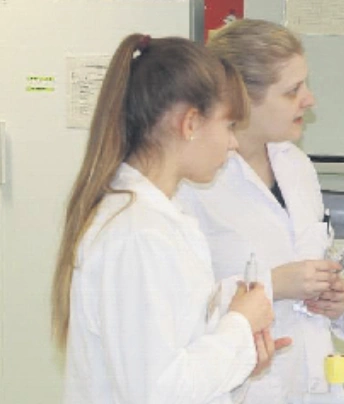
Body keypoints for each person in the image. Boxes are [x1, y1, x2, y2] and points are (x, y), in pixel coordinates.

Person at [51, 34, 286, 403]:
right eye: (228, 126)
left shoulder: (160, 220)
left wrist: (240, 361)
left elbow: (177, 368)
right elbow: (157, 392)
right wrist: (239, 326)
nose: (233, 143)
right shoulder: (138, 234)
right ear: (190, 123)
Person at [176, 19, 344, 402]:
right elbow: (181, 311)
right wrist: (274, 285)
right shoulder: (193, 183)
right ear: (242, 98)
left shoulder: (297, 165)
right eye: (292, 91)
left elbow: (314, 261)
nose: (309, 99)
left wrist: (335, 301)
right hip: (244, 388)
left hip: (314, 384)